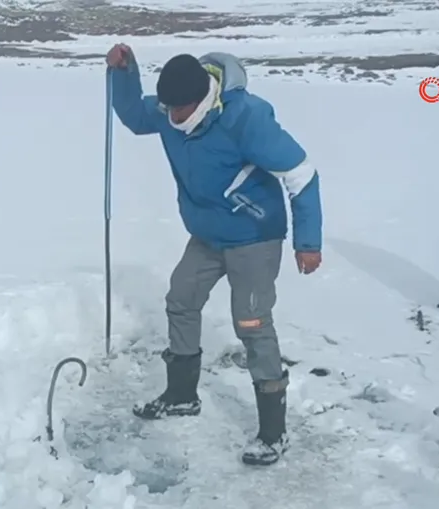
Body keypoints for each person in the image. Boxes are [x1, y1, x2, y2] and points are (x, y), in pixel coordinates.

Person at [104, 43, 322, 467]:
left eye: (180, 109)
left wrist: (307, 242)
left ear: (202, 97)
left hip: (254, 236)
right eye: (168, 108)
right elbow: (133, 116)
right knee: (181, 299)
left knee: (252, 324)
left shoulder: (245, 118)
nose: (173, 117)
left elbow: (302, 176)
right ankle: (182, 396)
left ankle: (273, 434)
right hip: (206, 234)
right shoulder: (171, 112)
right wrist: (124, 74)